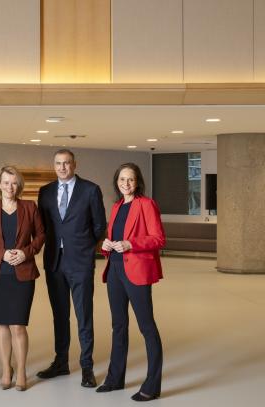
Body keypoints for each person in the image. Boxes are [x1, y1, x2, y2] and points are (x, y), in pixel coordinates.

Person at [37, 149, 106, 388]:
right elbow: (44, 227)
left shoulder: (90, 190)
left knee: (83, 315)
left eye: (67, 163)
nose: (63, 167)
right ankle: (61, 362)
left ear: (74, 165)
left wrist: (85, 248)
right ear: (53, 165)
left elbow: (99, 226)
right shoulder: (44, 192)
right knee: (60, 315)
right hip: (54, 262)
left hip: (80, 262)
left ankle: (87, 366)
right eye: (58, 163)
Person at [97, 163, 165, 402]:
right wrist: (106, 246)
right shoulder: (116, 206)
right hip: (115, 269)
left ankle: (152, 385)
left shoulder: (146, 204)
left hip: (136, 270)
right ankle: (115, 379)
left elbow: (158, 238)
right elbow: (114, 237)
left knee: (147, 327)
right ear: (117, 182)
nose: (126, 184)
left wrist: (131, 244)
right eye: (122, 179)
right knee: (118, 326)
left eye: (131, 180)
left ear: (138, 183)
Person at [0, 166, 45, 391]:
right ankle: (5, 369)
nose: (10, 187)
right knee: (1, 324)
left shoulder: (29, 207)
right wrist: (2, 253)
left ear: (19, 185)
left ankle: (20, 370)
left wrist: (26, 252)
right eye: (6, 182)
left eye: (14, 182)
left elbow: (40, 235)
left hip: (23, 273)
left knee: (18, 325)